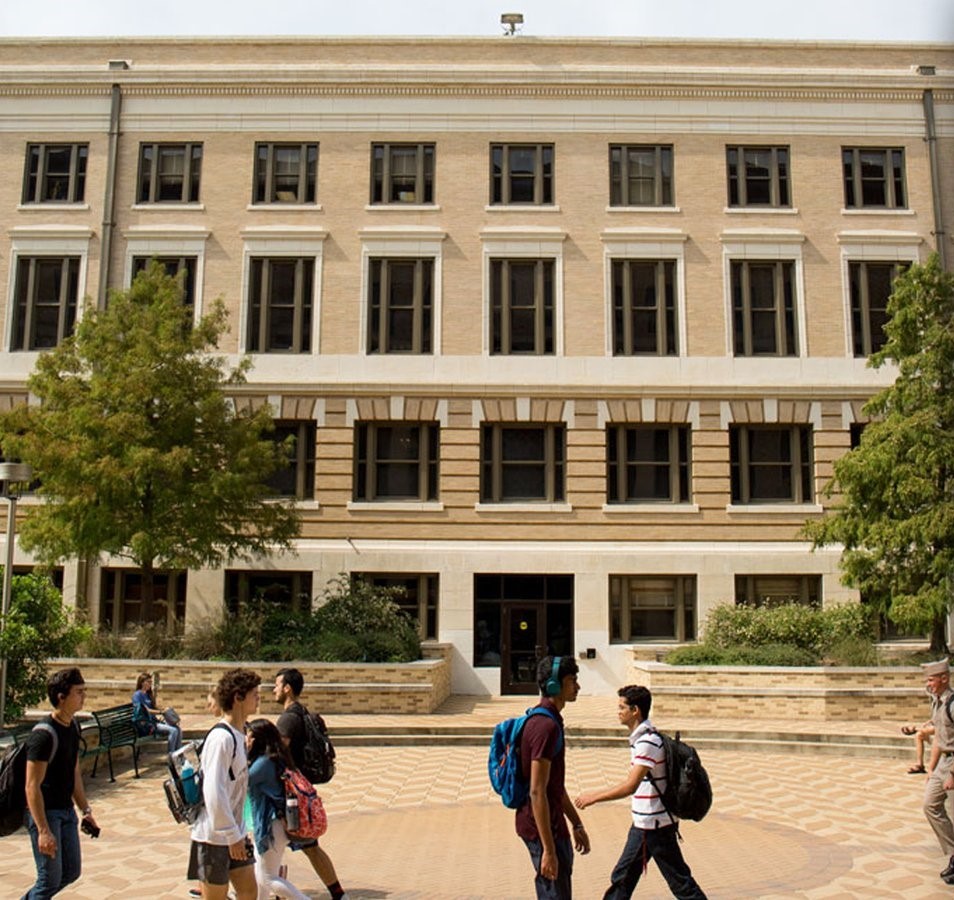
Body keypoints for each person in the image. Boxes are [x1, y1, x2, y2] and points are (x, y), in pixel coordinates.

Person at [575, 685, 706, 899]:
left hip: (655, 825)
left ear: (635, 710)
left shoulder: (647, 742)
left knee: (680, 883)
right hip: (646, 823)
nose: (618, 712)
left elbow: (630, 785)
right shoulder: (645, 738)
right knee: (623, 878)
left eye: (621, 707)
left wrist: (593, 797)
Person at [515, 655, 590, 900]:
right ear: (554, 686)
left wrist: (576, 823)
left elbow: (555, 787)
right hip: (543, 829)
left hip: (553, 824)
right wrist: (548, 850)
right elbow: (537, 791)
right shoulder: (544, 727)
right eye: (572, 680)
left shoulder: (551, 722)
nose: (577, 686)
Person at [22, 666, 99, 900]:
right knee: (48, 880)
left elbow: (74, 772)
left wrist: (86, 810)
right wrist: (43, 831)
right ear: (61, 697)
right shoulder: (43, 735)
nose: (83, 696)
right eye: (78, 692)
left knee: (71, 871)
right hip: (45, 814)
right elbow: (31, 786)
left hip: (65, 811)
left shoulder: (73, 727)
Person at [273, 667, 348, 900]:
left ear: (287, 688)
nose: (273, 690)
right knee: (309, 847)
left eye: (276, 685)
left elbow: (277, 751)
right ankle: (338, 894)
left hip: (288, 794)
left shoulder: (288, 719)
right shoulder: (302, 712)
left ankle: (275, 891)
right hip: (301, 790)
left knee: (270, 846)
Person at [186, 668, 261, 900]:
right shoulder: (221, 738)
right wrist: (231, 835)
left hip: (234, 832)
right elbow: (213, 791)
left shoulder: (239, 734)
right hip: (215, 836)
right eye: (254, 694)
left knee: (249, 892)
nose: (259, 698)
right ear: (238, 697)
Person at [246, 718, 310, 900]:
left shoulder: (263, 764)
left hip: (271, 826)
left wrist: (243, 753)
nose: (247, 740)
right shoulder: (275, 759)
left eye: (249, 737)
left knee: (267, 879)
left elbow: (240, 782)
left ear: (258, 740)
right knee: (262, 875)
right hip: (275, 825)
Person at [921, 659, 954, 886]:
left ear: (944, 678)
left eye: (931, 679)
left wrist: (953, 774)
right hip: (943, 762)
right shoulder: (937, 702)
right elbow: (939, 739)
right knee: (930, 805)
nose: (928, 683)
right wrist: (931, 768)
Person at [131, 672, 182, 753]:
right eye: (148, 682)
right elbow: (146, 710)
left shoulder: (148, 694)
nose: (150, 684)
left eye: (151, 682)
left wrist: (166, 709)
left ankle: (179, 754)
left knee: (178, 729)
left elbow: (154, 706)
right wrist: (161, 712)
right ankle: (171, 755)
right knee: (173, 730)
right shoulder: (137, 695)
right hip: (147, 725)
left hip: (154, 722)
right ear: (142, 682)